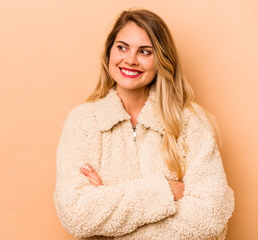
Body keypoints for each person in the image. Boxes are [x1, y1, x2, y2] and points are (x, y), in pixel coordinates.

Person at [52, 9, 234, 240]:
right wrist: (166, 190)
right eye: (122, 47)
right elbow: (77, 215)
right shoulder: (83, 122)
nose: (130, 59)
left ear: (161, 59)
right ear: (109, 51)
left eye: (145, 52)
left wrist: (109, 205)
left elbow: (210, 216)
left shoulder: (191, 123)